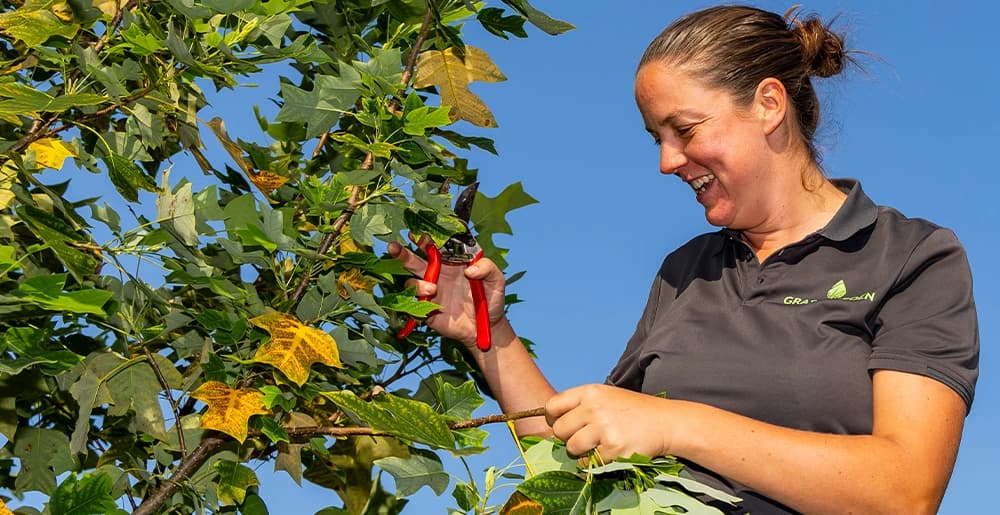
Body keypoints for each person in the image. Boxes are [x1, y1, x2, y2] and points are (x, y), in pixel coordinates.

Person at [389, 5, 979, 514]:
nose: (668, 163)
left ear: (769, 104)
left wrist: (678, 424)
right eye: (656, 139)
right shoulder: (685, 269)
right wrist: (489, 335)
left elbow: (904, 493)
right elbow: (584, 453)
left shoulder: (912, 256)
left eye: (685, 130)